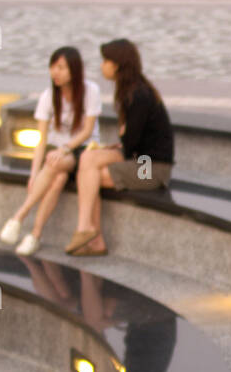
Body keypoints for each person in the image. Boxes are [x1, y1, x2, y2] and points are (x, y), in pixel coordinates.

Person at [65, 38, 174, 256]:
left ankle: (90, 234)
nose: (101, 66)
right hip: (141, 160)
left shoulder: (138, 95)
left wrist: (118, 142)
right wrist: (115, 144)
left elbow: (130, 145)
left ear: (117, 64)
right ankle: (89, 233)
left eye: (105, 61)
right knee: (88, 161)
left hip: (152, 168)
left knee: (90, 172)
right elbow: (130, 143)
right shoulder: (132, 91)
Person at [0, 47, 101, 256]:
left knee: (55, 163)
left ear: (74, 70)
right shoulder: (48, 96)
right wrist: (33, 175)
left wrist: (64, 149)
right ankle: (35, 235)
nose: (55, 72)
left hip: (83, 149)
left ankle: (18, 216)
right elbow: (41, 139)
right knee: (58, 177)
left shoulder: (91, 91)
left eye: (61, 67)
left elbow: (88, 130)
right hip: (57, 155)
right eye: (53, 67)